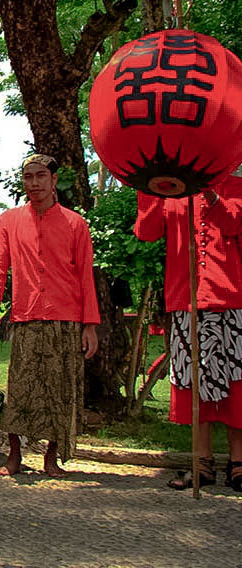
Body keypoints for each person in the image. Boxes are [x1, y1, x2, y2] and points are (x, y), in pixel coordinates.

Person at [0, 153, 99, 477]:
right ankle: (14, 455)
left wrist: (90, 325)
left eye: (40, 176)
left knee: (60, 391)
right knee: (21, 388)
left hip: (66, 318)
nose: (33, 183)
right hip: (27, 317)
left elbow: (86, 277)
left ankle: (52, 458)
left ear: (54, 179)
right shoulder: (9, 221)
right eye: (28, 177)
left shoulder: (75, 224)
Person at [134, 181, 242, 491]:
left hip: (231, 299)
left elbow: (233, 223)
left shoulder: (236, 186)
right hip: (186, 299)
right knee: (193, 382)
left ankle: (238, 462)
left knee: (236, 384)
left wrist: (209, 193)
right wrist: (149, 187)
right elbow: (147, 231)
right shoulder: (172, 189)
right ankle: (201, 462)